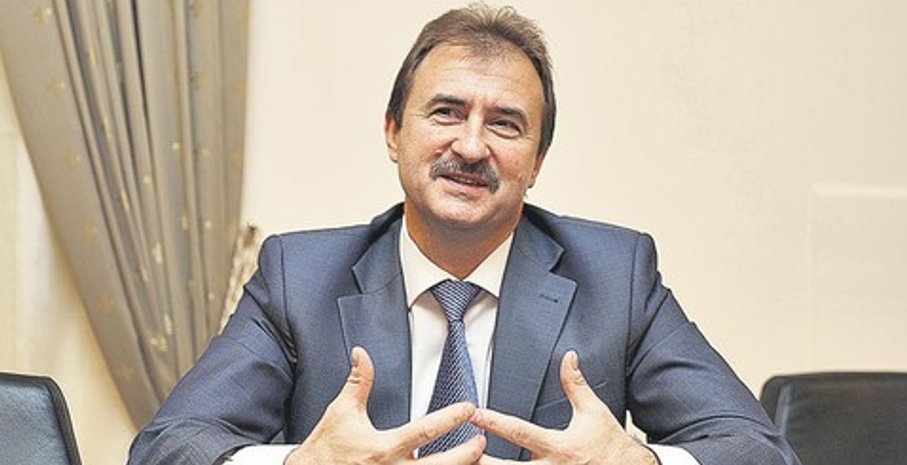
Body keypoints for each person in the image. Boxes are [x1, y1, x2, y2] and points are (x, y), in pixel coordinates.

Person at [128, 4, 800, 465]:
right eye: (446, 112)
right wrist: (299, 464)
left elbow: (759, 451)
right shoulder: (298, 277)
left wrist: (642, 464)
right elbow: (167, 447)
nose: (472, 146)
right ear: (394, 132)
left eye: (505, 123)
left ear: (537, 161)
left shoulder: (616, 277)